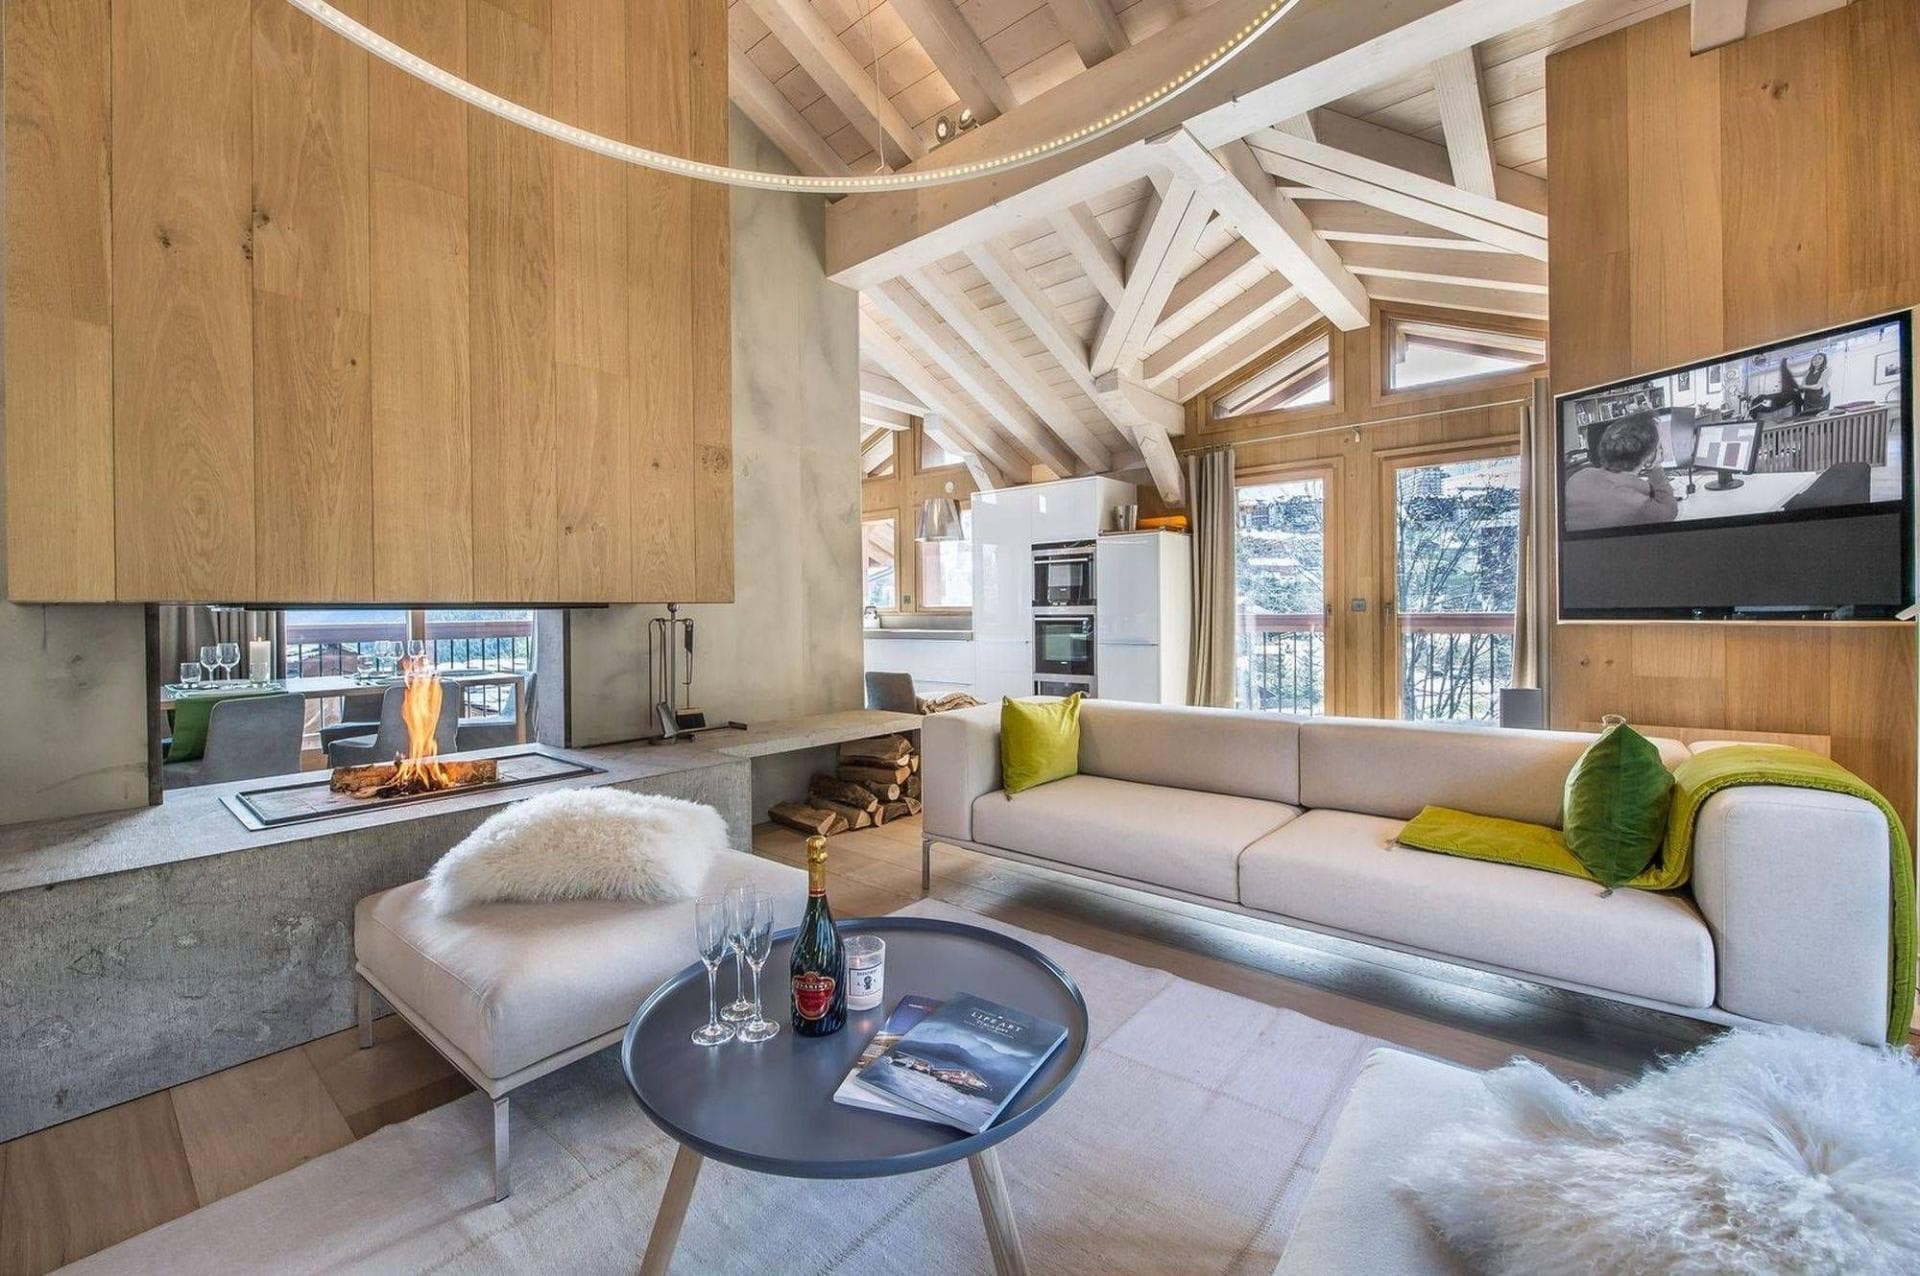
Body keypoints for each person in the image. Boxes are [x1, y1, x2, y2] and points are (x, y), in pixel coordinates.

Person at [1564, 411, 1680, 531]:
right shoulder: (1636, 504)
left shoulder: (1578, 478)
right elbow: (1670, 511)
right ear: (1651, 455)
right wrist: (1655, 467)